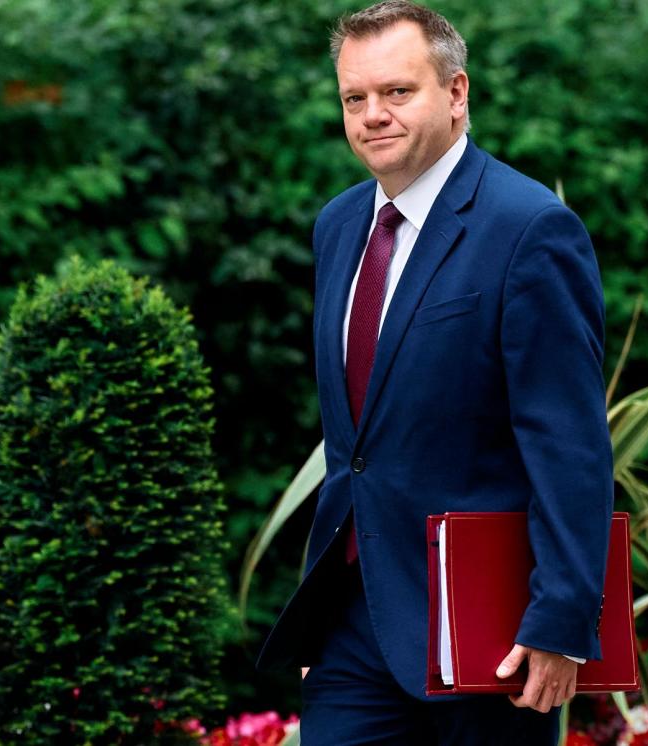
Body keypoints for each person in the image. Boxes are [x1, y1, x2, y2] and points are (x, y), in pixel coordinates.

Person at [255, 2, 614, 743]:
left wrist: (561, 621)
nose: (372, 114)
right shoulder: (337, 226)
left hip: (489, 635)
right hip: (352, 627)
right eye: (354, 97)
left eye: (397, 92)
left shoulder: (530, 229)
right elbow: (354, 444)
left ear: (456, 94)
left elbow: (568, 443)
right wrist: (320, 615)